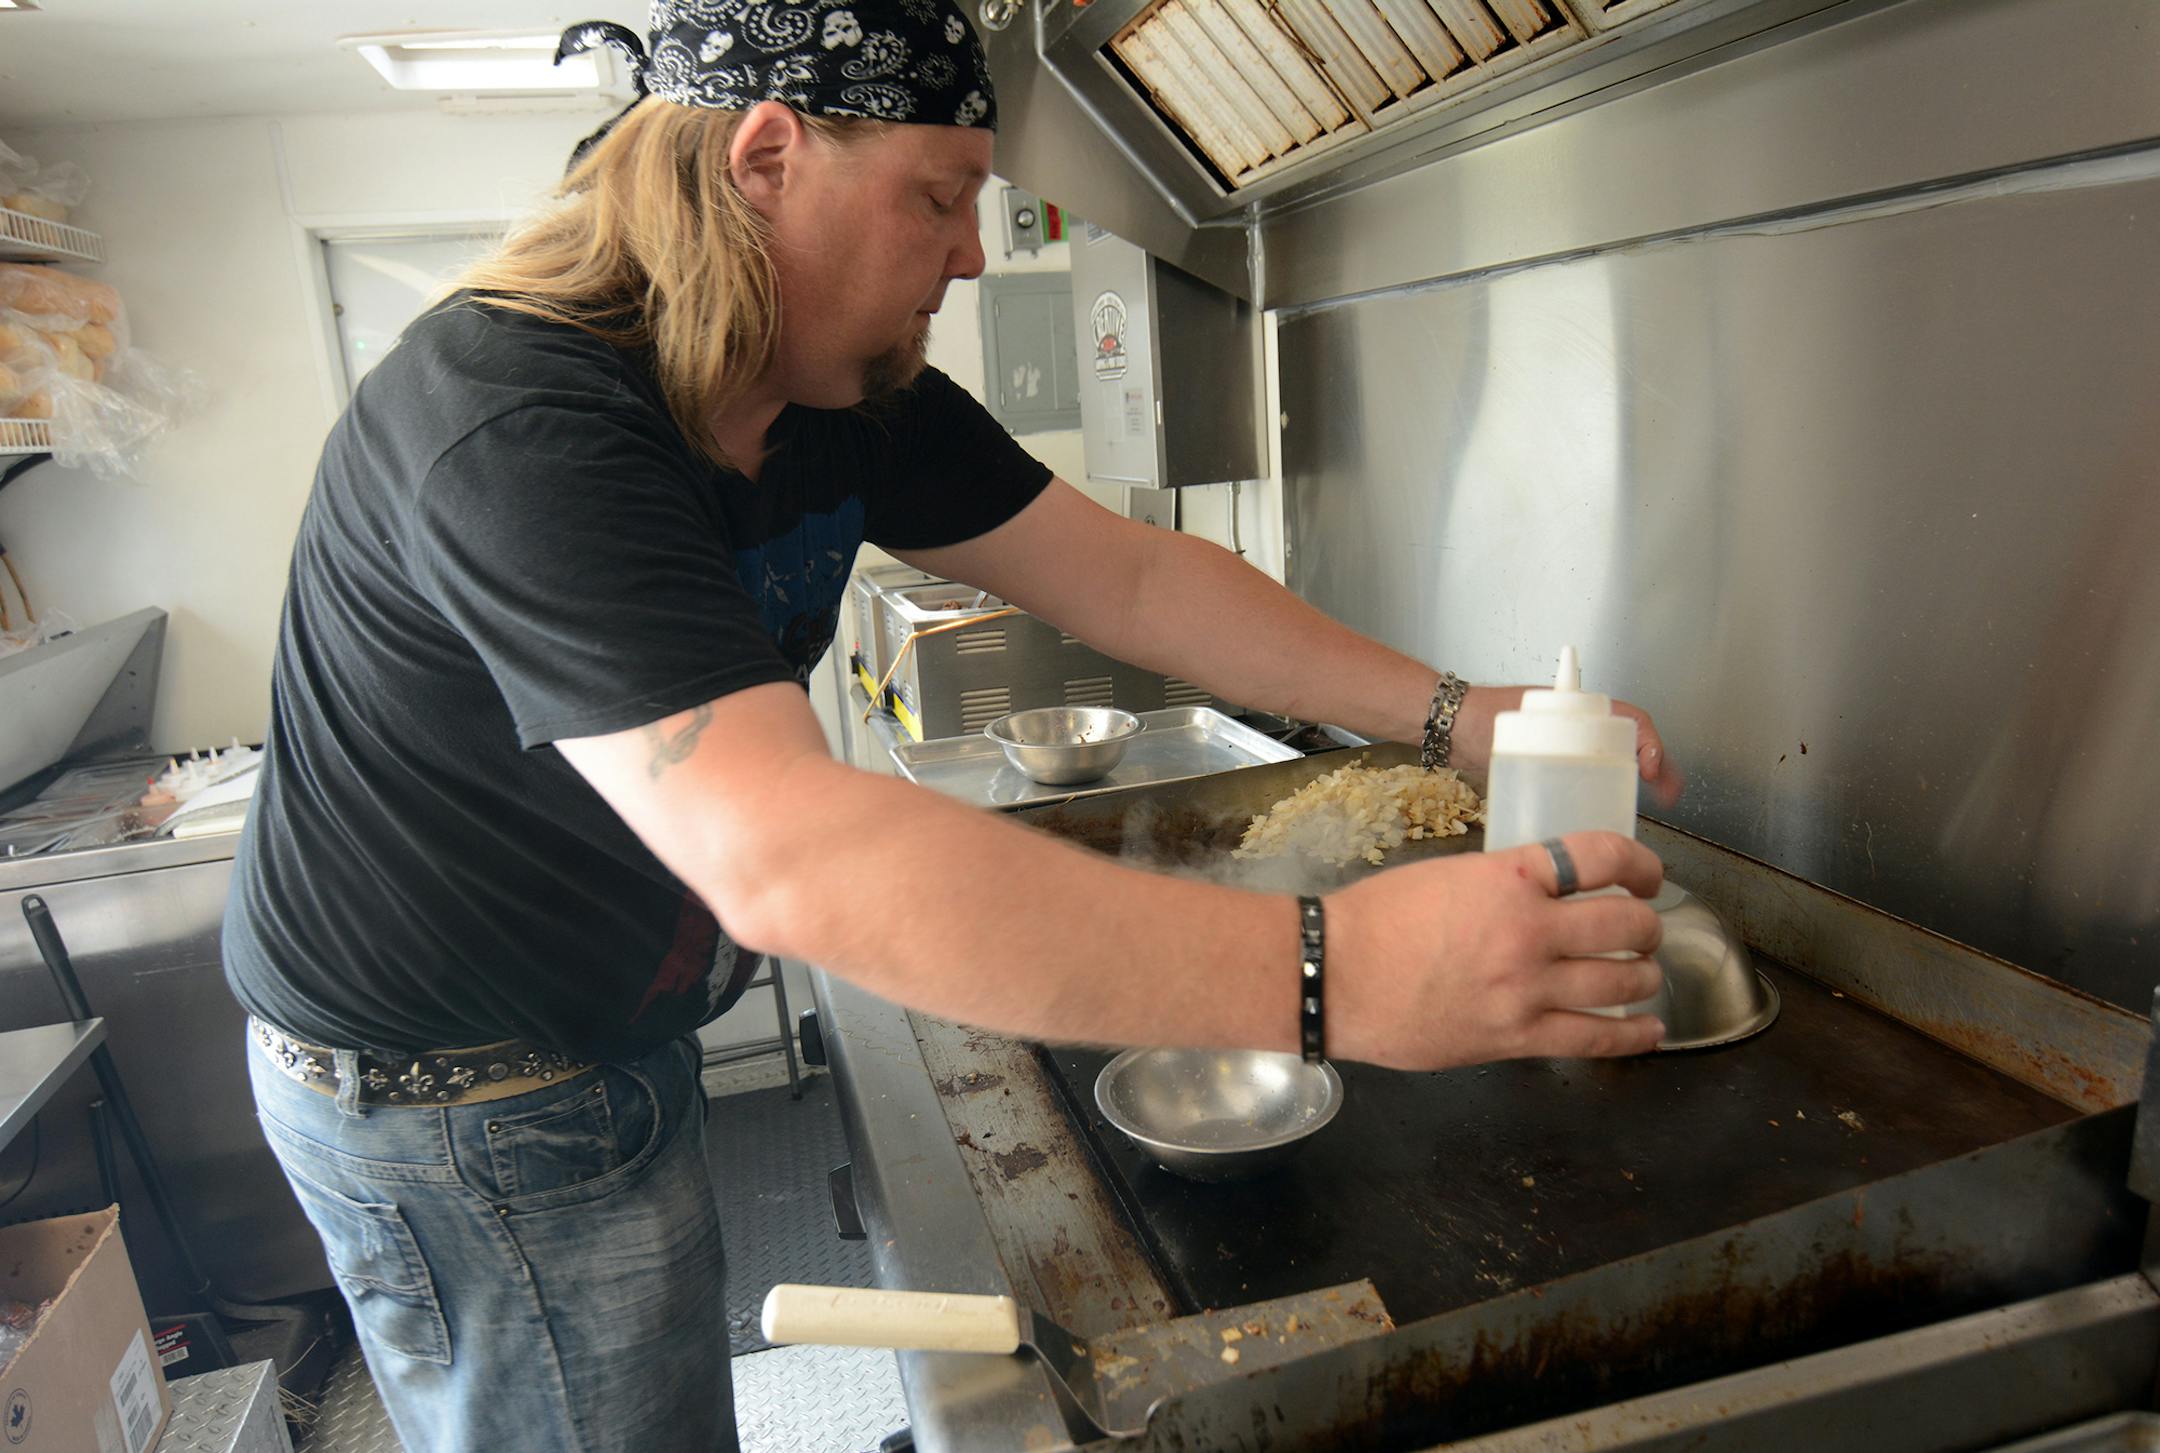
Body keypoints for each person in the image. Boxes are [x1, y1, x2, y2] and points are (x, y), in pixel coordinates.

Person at [223, 2, 1683, 1449]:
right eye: (940, 196)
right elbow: (789, 858)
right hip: (451, 1100)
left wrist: (1453, 711)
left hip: (595, 1028)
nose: (974, 252)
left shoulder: (837, 395)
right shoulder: (517, 419)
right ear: (767, 158)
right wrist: (1342, 973)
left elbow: (1127, 574)